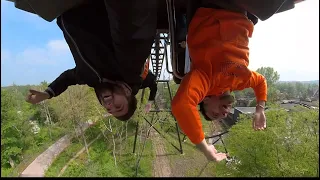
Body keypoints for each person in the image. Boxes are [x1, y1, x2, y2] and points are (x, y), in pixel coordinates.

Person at [25, 0, 157, 121]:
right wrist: (150, 101)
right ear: (128, 92)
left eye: (109, 109)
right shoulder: (129, 67)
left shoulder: (91, 79)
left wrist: (47, 94)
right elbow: (131, 27)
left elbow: (68, 78)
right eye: (119, 106)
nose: (110, 105)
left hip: (64, 9)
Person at [171, 3, 269, 162]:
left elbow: (181, 105)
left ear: (205, 98)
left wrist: (205, 149)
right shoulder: (239, 82)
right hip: (242, 10)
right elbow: (260, 81)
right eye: (222, 116)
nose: (224, 114)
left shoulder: (205, 79)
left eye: (215, 113)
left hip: (216, 6)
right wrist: (260, 110)